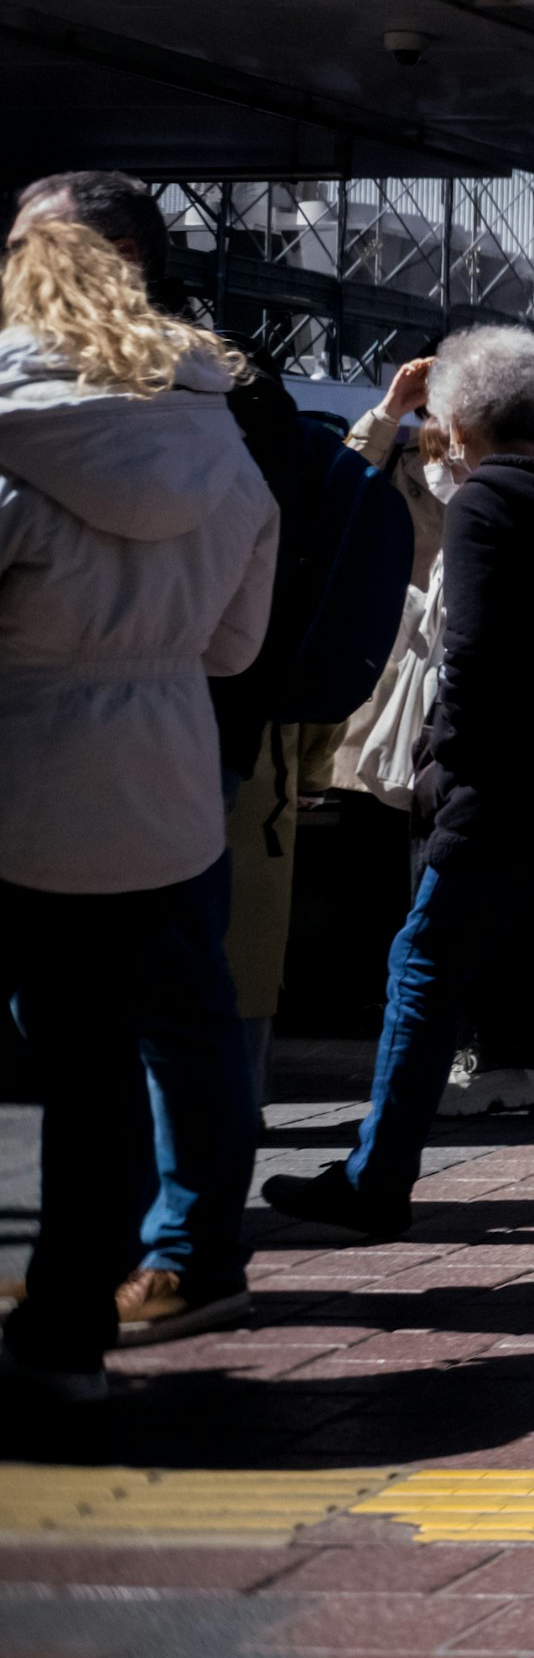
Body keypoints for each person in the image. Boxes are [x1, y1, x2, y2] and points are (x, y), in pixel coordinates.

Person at [262, 327, 534, 1242]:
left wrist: (441, 773)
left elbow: (474, 661)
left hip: (502, 794)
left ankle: (378, 1182)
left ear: (455, 419)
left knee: (422, 967)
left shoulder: (485, 503)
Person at [0, 217, 277, 1393]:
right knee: (105, 1070)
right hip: (161, 791)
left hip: (23, 779)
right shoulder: (223, 451)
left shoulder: (14, 447)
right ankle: (70, 1337)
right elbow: (234, 647)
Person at [327, 358, 534, 1116]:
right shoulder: (402, 475)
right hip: (403, 715)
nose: (443, 467)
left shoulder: (520, 490)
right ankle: (462, 1060)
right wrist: (390, 411)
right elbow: (332, 491)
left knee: (448, 908)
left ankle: (470, 1065)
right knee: (423, 905)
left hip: (458, 726)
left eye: (449, 447)